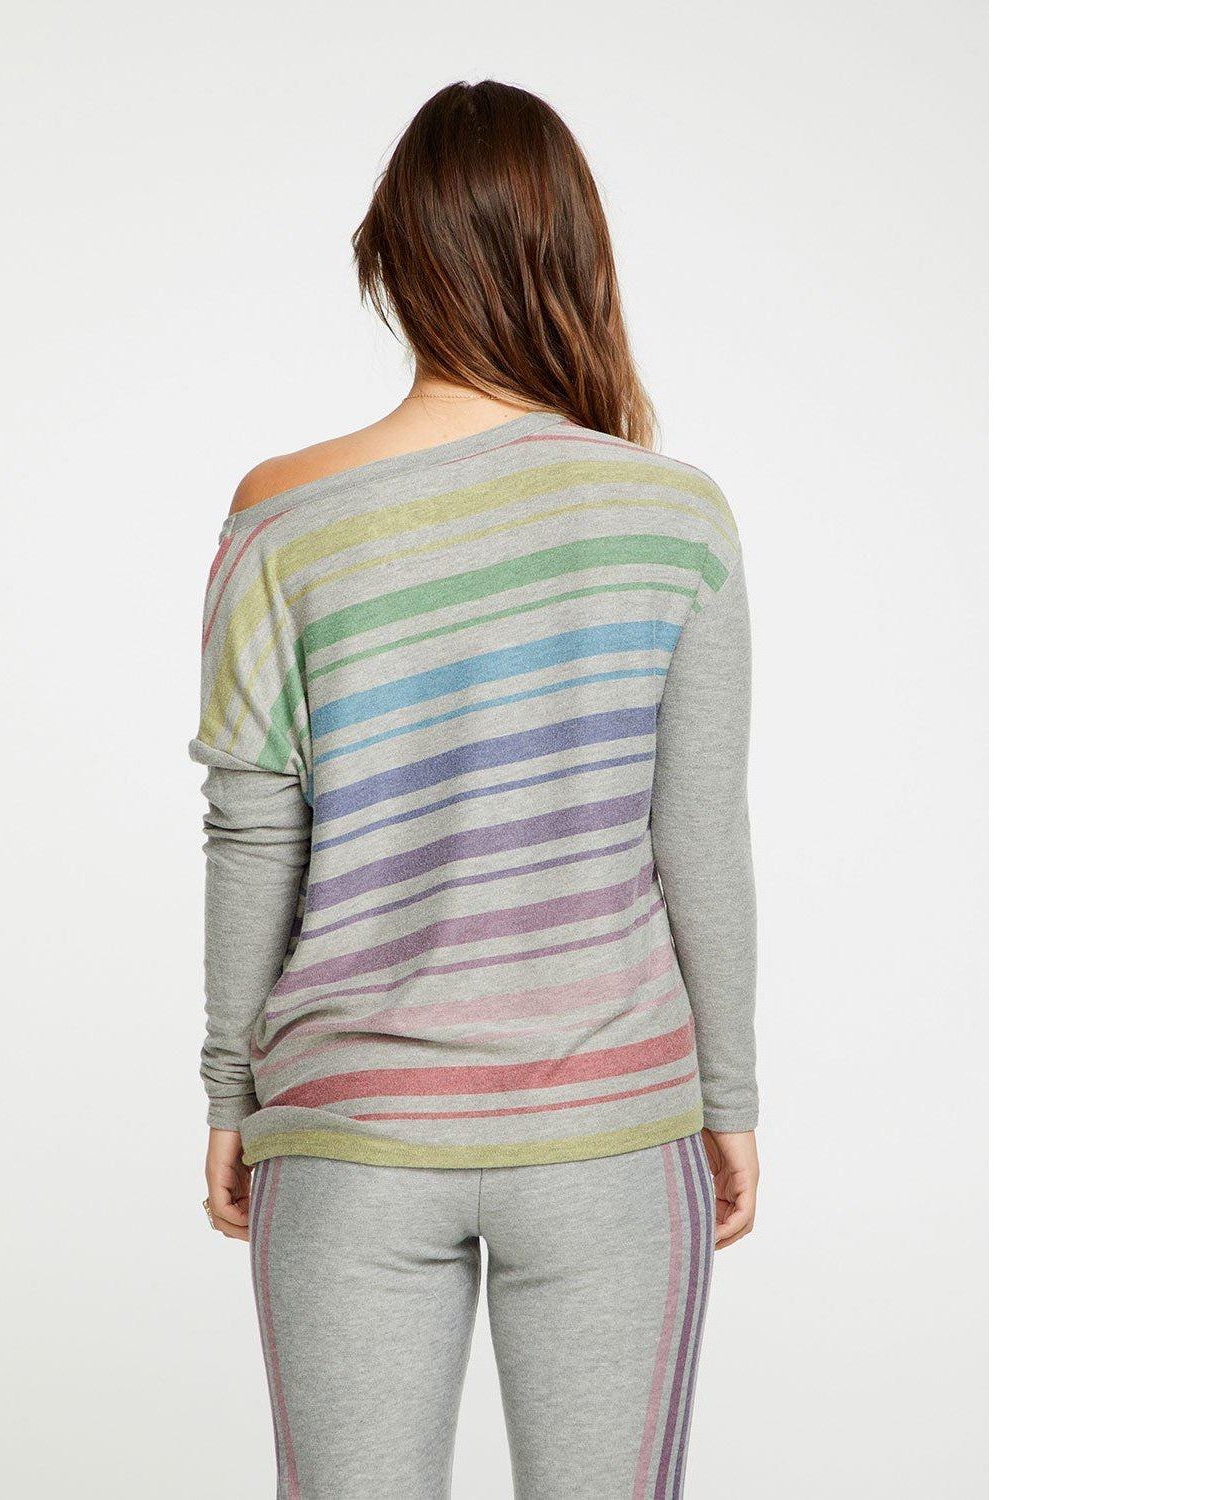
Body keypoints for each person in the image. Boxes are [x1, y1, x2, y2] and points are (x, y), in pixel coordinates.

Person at [193, 79, 759, 1500]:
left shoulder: (281, 513)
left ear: (393, 259)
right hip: (611, 1125)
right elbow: (699, 838)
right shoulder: (675, 517)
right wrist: (730, 1098)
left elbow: (254, 832)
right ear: (576, 259)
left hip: (349, 1127)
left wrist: (228, 1093)